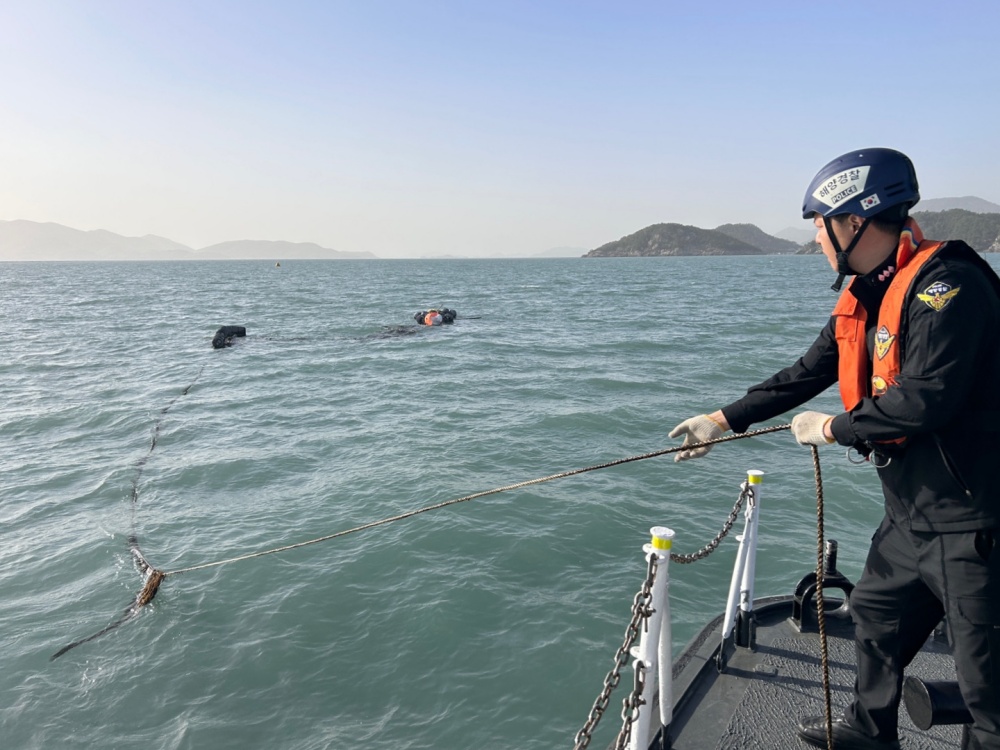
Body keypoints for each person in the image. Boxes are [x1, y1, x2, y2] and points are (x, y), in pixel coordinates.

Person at [669, 148, 1000, 749]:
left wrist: (832, 429)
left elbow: (928, 398)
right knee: (874, 615)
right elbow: (806, 372)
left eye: (819, 226)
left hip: (973, 517)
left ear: (851, 223)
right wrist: (721, 420)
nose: (817, 240)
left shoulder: (950, 288)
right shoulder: (871, 294)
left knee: (988, 693)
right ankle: (869, 732)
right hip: (911, 514)